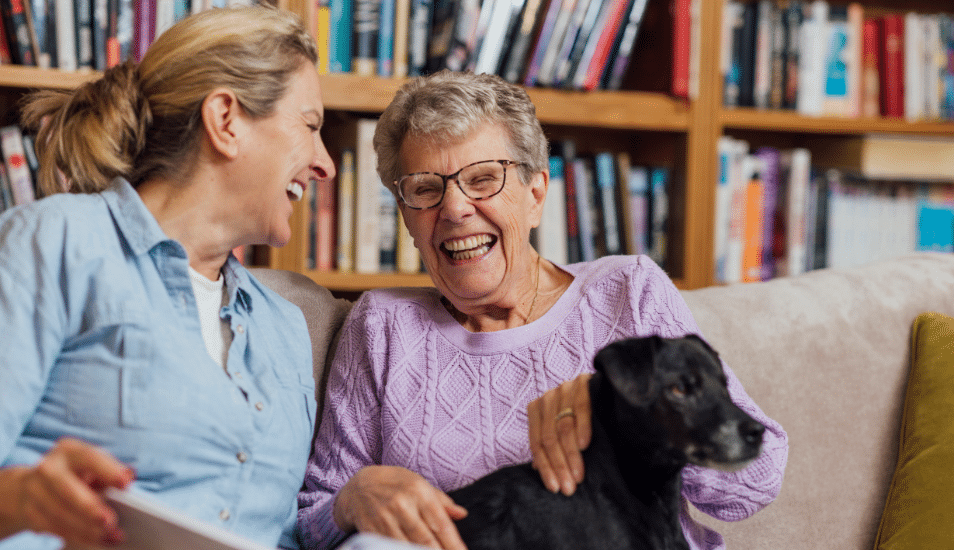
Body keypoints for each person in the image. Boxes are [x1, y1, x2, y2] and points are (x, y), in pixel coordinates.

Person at [297, 70, 788, 550]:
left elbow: (757, 480)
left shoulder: (627, 292)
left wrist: (622, 411)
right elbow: (309, 522)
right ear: (405, 214)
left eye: (483, 179)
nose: (454, 209)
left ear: (535, 196)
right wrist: (351, 500)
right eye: (425, 188)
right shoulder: (382, 327)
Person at [0, 6, 335, 550]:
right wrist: (22, 496)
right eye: (311, 125)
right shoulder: (55, 243)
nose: (327, 165)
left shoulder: (286, 329)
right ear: (226, 120)